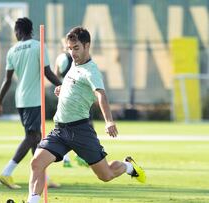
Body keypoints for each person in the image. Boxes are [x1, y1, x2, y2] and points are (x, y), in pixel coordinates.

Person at [27, 27, 146, 203]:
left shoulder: (91, 70)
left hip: (80, 131)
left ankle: (129, 167)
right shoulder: (74, 65)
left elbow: (100, 95)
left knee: (106, 175)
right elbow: (76, 85)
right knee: (36, 163)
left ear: (87, 46)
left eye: (76, 48)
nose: (72, 52)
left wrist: (109, 121)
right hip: (60, 130)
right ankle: (32, 201)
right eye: (70, 48)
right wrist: (63, 89)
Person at [0, 17, 62, 190]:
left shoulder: (12, 50)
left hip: (20, 99)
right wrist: (63, 85)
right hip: (34, 99)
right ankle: (7, 172)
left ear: (18, 31)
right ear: (30, 30)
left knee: (35, 138)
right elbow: (47, 72)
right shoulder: (38, 46)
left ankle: (42, 177)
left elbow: (7, 80)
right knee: (32, 137)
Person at [54, 38, 93, 168]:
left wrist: (60, 87)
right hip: (80, 96)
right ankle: (81, 155)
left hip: (66, 95)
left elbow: (56, 75)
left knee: (63, 126)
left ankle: (66, 159)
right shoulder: (83, 58)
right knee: (82, 124)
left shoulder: (60, 58)